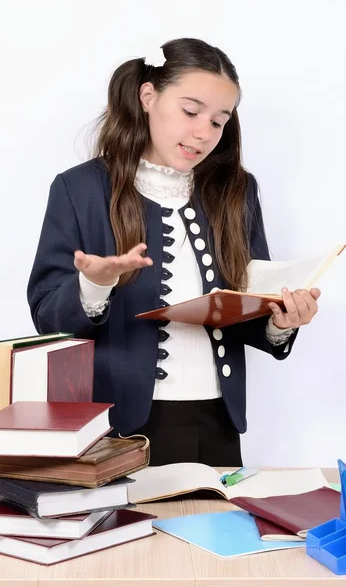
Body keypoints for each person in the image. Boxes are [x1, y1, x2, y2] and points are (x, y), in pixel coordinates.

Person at [27, 37, 320, 467]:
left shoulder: (237, 191)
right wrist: (94, 284)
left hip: (217, 421)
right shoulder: (81, 189)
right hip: (114, 426)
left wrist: (281, 320)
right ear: (148, 96)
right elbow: (46, 317)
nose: (204, 133)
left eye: (220, 121)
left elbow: (247, 309)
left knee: (213, 534)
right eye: (190, 111)